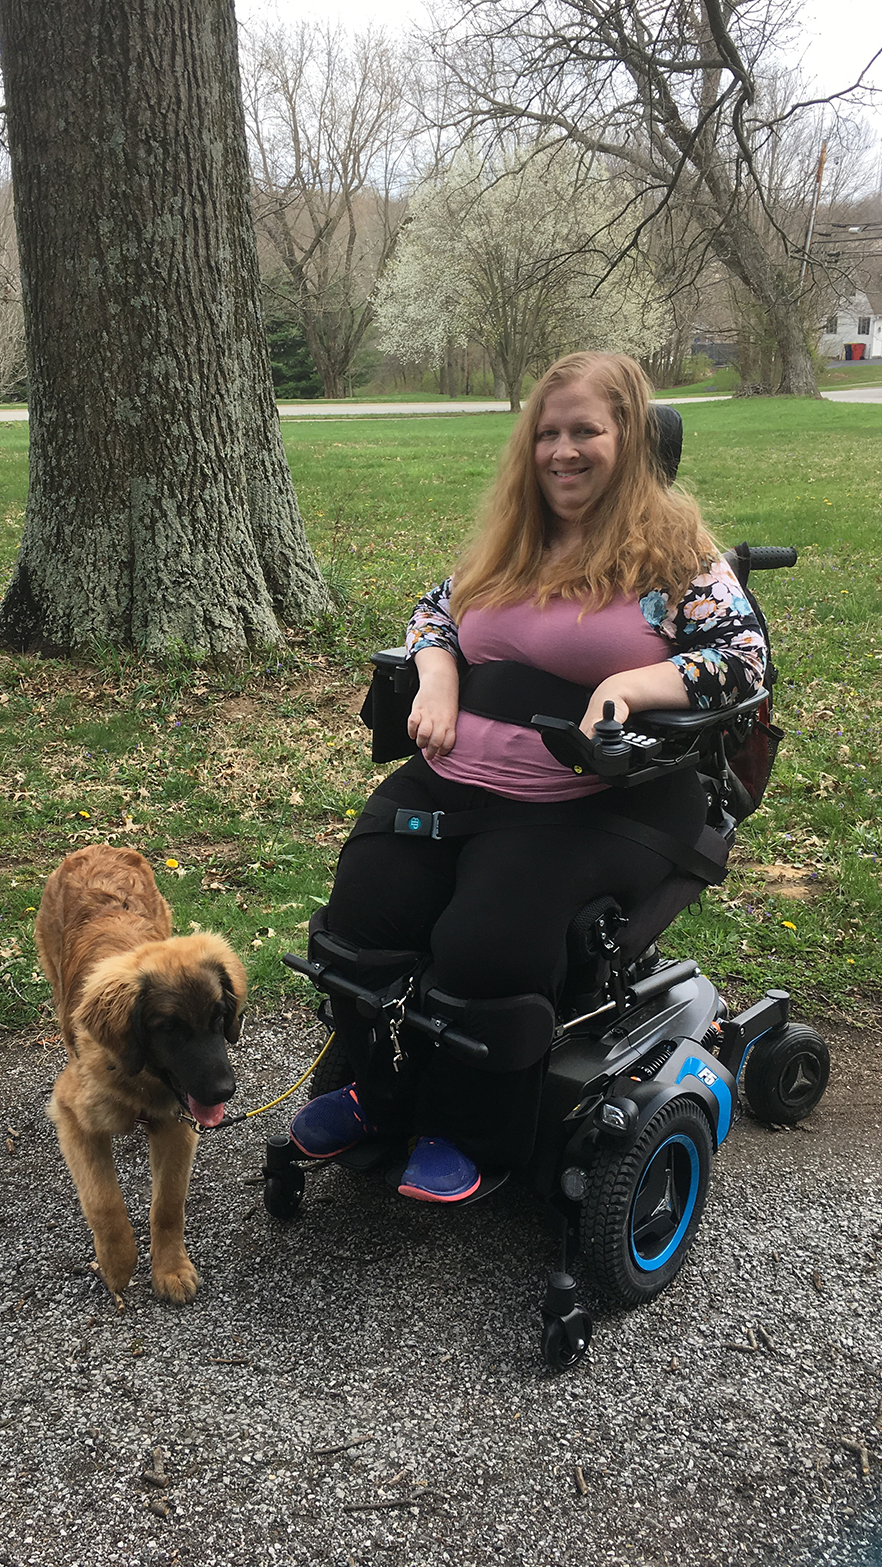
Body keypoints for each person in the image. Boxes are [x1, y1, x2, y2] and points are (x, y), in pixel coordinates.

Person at [289, 350, 766, 1203]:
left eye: (586, 430)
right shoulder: (515, 539)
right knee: (363, 907)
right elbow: (437, 612)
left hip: (582, 801)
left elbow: (741, 658)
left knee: (486, 942)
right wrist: (436, 673)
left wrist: (628, 684)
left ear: (629, 438)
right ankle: (377, 1092)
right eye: (548, 433)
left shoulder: (674, 559)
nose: (563, 451)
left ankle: (467, 1128)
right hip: (453, 781)